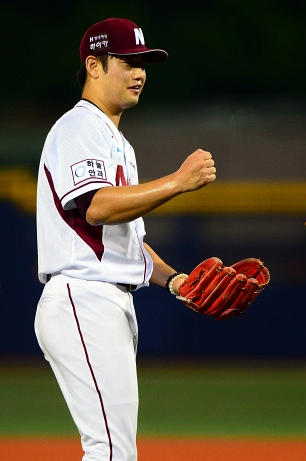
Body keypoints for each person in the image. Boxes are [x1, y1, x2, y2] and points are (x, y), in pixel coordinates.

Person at [34, 18, 216, 460]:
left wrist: (177, 281)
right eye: (128, 61)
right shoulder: (78, 126)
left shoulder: (116, 141)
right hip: (83, 297)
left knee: (113, 449)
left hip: (107, 301)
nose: (140, 72)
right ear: (93, 66)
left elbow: (126, 241)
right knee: (111, 450)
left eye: (144, 63)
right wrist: (176, 181)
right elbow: (96, 206)